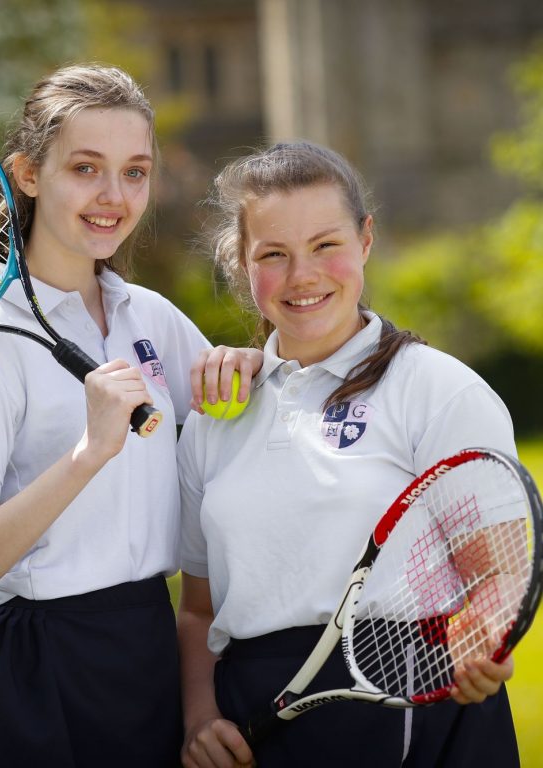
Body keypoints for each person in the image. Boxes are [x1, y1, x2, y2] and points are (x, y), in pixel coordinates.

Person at [0, 63, 260, 768]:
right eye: (86, 169)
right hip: (34, 680)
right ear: (28, 175)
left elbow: (245, 421)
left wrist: (248, 369)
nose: (113, 196)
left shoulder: (149, 317)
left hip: (146, 656)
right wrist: (89, 452)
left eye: (135, 172)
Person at [177, 141, 520, 768]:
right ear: (243, 265)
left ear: (365, 240)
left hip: (409, 704)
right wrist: (200, 716)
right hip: (253, 719)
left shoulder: (438, 390)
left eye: (325, 245)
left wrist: (482, 637)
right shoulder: (212, 418)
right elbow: (198, 610)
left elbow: (496, 577)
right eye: (273, 255)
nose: (303, 275)